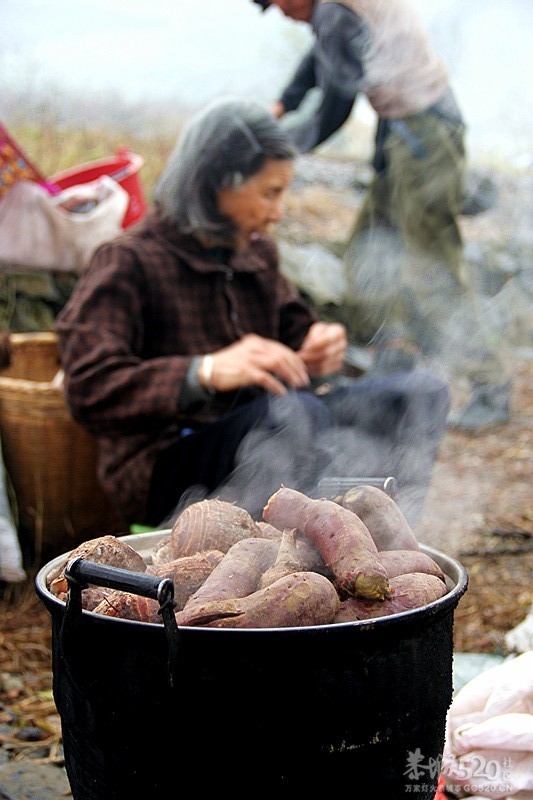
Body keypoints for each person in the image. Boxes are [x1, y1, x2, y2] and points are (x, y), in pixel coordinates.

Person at [56, 97, 450, 529]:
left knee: (418, 395)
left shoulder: (255, 251)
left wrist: (317, 342)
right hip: (165, 465)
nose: (278, 212)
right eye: (269, 193)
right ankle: (285, 561)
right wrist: (202, 372)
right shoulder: (128, 261)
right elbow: (88, 387)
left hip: (272, 432)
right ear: (216, 183)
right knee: (292, 416)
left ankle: (383, 543)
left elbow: (295, 325)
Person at [253, 0, 512, 432]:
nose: (278, 12)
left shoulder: (335, 12)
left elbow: (335, 105)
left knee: (432, 268)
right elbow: (322, 58)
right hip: (404, 137)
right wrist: (284, 104)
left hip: (426, 139)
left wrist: (276, 145)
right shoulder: (332, 15)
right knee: (365, 253)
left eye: (275, 2)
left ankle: (491, 386)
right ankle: (394, 360)